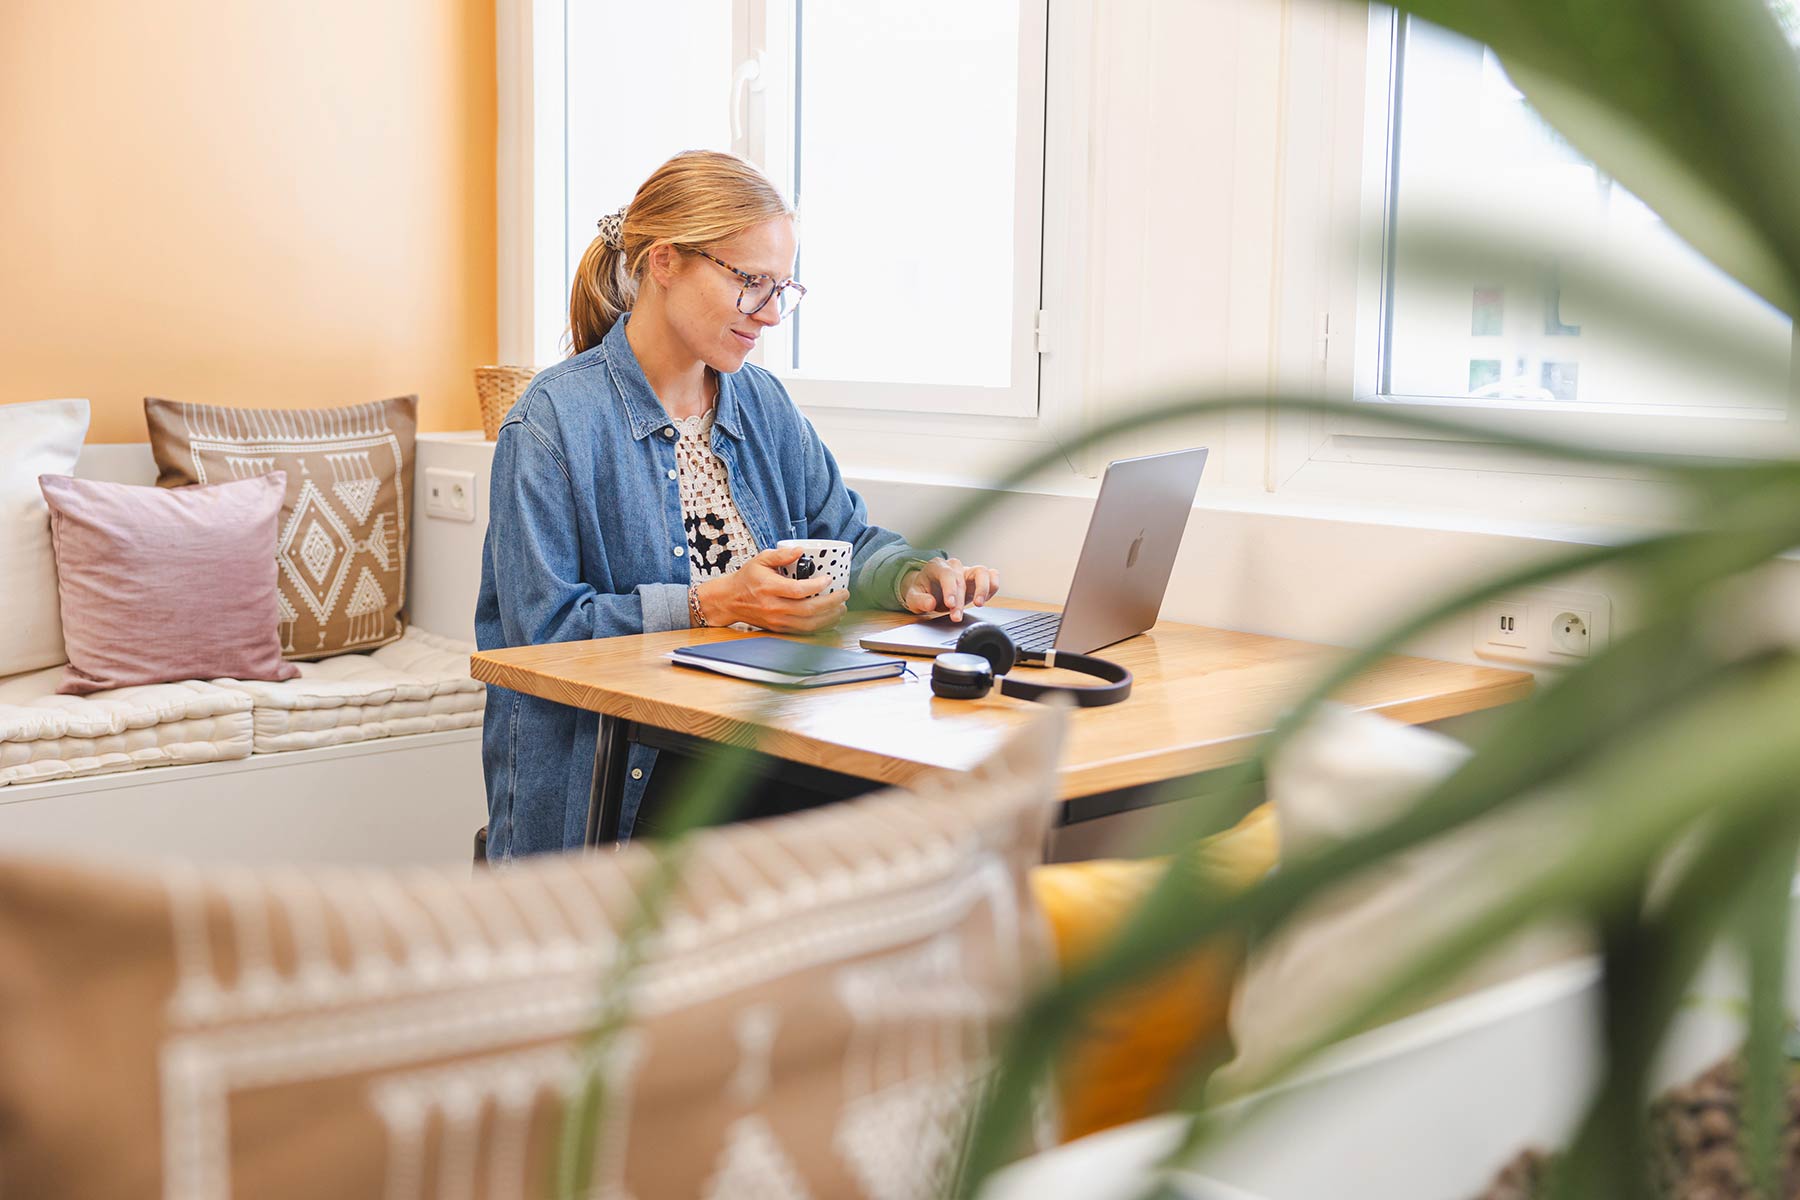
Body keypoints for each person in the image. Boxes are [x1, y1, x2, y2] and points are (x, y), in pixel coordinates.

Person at [476, 149, 1001, 859]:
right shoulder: (552, 423)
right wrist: (713, 603)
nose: (773, 314)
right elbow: (541, 632)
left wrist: (913, 576)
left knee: (925, 805)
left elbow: (845, 537)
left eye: (782, 288)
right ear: (665, 262)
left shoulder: (762, 403)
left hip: (762, 738)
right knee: (887, 823)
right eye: (751, 283)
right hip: (632, 771)